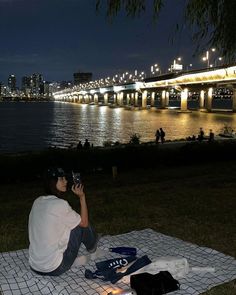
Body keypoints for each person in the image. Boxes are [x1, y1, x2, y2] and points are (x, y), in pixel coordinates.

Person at [28, 167, 98, 276]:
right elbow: (84, 223)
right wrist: (82, 197)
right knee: (79, 225)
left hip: (35, 266)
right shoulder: (60, 204)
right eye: (61, 179)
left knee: (73, 221)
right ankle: (92, 247)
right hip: (55, 268)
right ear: (52, 182)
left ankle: (92, 242)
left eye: (65, 178)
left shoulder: (37, 201)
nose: (65, 181)